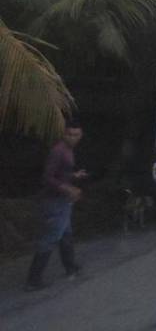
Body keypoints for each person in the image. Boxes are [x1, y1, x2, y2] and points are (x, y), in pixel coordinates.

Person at [25, 119, 87, 291]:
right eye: (70, 134)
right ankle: (33, 279)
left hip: (62, 201)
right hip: (53, 201)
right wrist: (67, 189)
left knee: (66, 234)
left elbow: (61, 174)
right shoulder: (58, 151)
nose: (73, 138)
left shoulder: (68, 151)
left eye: (76, 135)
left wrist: (74, 176)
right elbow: (47, 177)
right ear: (64, 134)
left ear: (80, 135)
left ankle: (70, 266)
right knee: (50, 238)